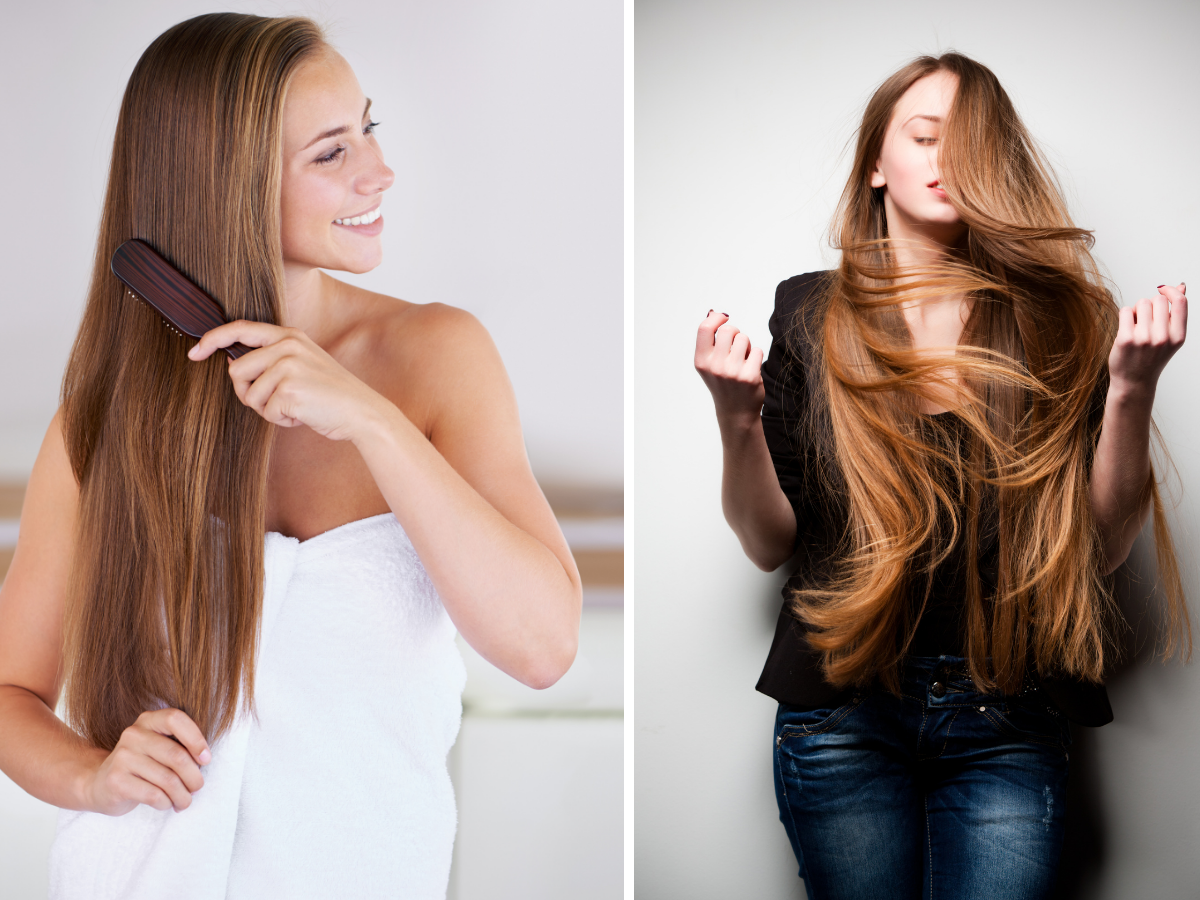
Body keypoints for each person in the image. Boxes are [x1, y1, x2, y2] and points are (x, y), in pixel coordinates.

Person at [0, 13, 580, 899]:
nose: (379, 173)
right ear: (223, 187)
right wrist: (91, 778)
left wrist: (374, 424)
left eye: (369, 129)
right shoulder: (102, 424)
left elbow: (543, 647)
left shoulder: (437, 359)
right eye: (329, 153)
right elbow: (11, 696)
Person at [694, 52, 1188, 899]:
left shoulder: (1062, 318)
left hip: (1010, 712)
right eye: (924, 137)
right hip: (841, 708)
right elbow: (769, 543)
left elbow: (1101, 552)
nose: (947, 160)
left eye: (972, 145)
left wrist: (1135, 389)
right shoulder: (809, 313)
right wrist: (734, 420)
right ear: (876, 167)